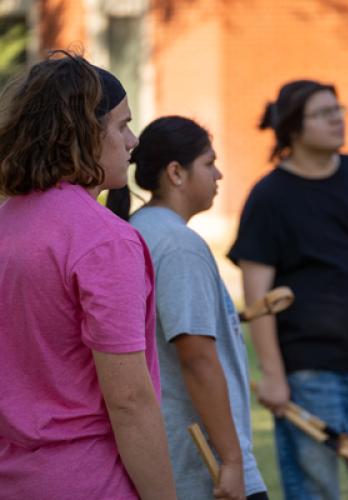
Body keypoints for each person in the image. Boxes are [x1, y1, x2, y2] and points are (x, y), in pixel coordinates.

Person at [228, 79, 348, 499]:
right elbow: (258, 295)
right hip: (311, 378)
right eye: (324, 113)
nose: (338, 119)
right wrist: (275, 377)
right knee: (314, 493)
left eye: (339, 109)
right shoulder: (270, 196)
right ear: (294, 128)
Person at [0, 52, 176, 499]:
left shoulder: (7, 222)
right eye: (121, 126)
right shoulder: (104, 241)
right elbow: (130, 401)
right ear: (80, 133)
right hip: (90, 479)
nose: (133, 141)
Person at [106, 116, 268, 500]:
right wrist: (231, 460)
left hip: (171, 455)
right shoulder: (178, 245)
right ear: (176, 173)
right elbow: (196, 357)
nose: (219, 175)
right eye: (209, 164)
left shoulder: (140, 230)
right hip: (201, 464)